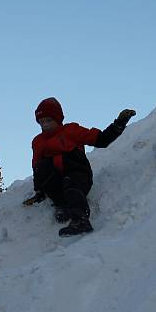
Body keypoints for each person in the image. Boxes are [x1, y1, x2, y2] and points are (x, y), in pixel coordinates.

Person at [24, 97, 136, 236]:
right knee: (44, 165)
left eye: (49, 120)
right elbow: (37, 167)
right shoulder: (38, 142)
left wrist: (119, 124)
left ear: (58, 119)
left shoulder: (71, 131)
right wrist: (39, 191)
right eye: (41, 122)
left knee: (70, 180)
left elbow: (100, 140)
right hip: (56, 182)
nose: (45, 125)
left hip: (78, 175)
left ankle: (81, 220)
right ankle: (62, 204)